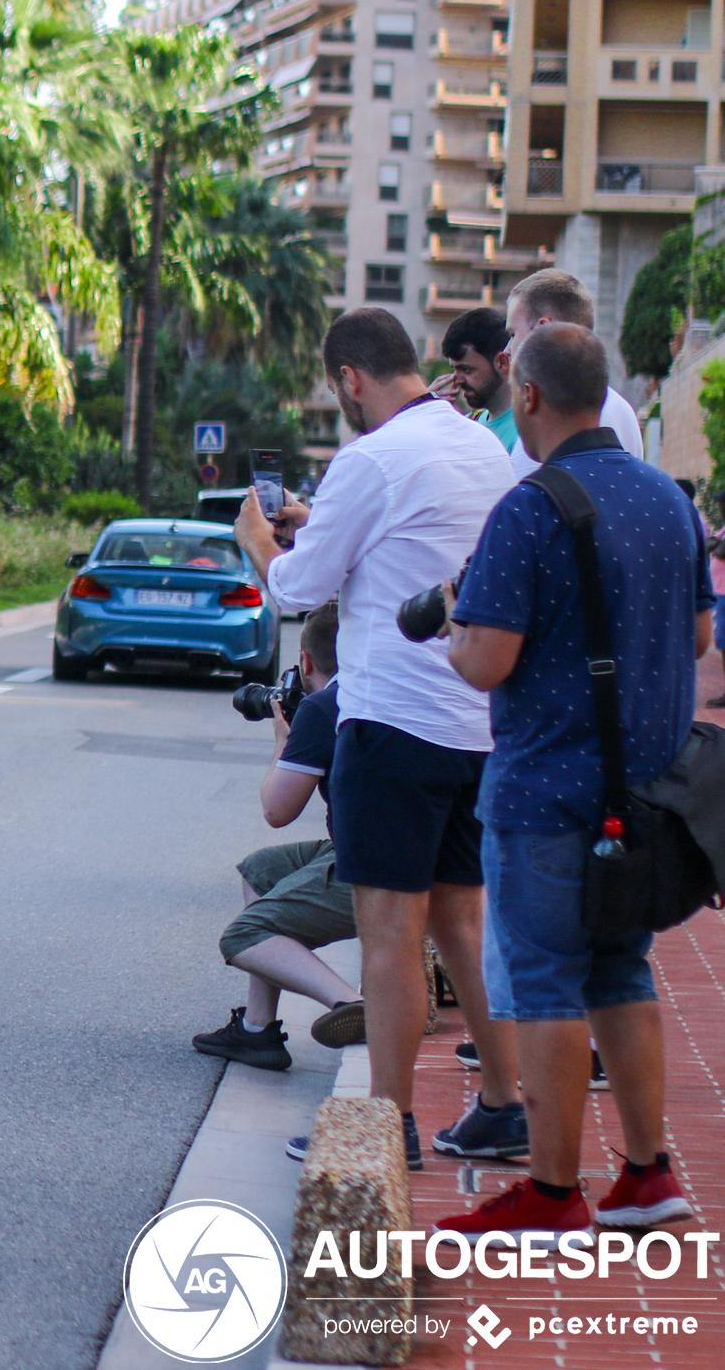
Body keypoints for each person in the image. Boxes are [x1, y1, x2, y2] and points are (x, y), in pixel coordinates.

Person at [435, 323, 711, 1237]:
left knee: (547, 984)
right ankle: (648, 1172)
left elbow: (486, 660)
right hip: (647, 795)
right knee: (623, 969)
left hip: (545, 791)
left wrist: (451, 623)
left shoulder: (529, 506)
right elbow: (701, 639)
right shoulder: (671, 501)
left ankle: (552, 1192)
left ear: (528, 399)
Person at [233, 307, 522, 1170]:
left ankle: (383, 1126)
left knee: (391, 934)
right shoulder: (479, 446)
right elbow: (408, 540)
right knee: (464, 924)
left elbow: (300, 587)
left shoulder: (369, 457)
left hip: (394, 723)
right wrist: (321, 520)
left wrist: (260, 541)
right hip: (476, 720)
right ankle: (504, 1103)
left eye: (337, 390)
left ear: (350, 380)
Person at [193, 602, 361, 1072]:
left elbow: (277, 810)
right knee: (261, 869)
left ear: (305, 662)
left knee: (246, 934)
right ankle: (257, 1031)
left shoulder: (325, 708)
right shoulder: (382, 693)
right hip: (415, 850)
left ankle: (351, 1005)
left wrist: (284, 742)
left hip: (369, 863)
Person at [501, 269, 644, 476]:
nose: (507, 350)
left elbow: (520, 499)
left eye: (513, 334)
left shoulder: (545, 414)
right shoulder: (624, 410)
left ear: (543, 330)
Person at [435, 305, 517, 451]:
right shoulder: (468, 424)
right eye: (454, 369)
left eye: (466, 369)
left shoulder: (526, 433)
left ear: (502, 363)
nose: (458, 380)